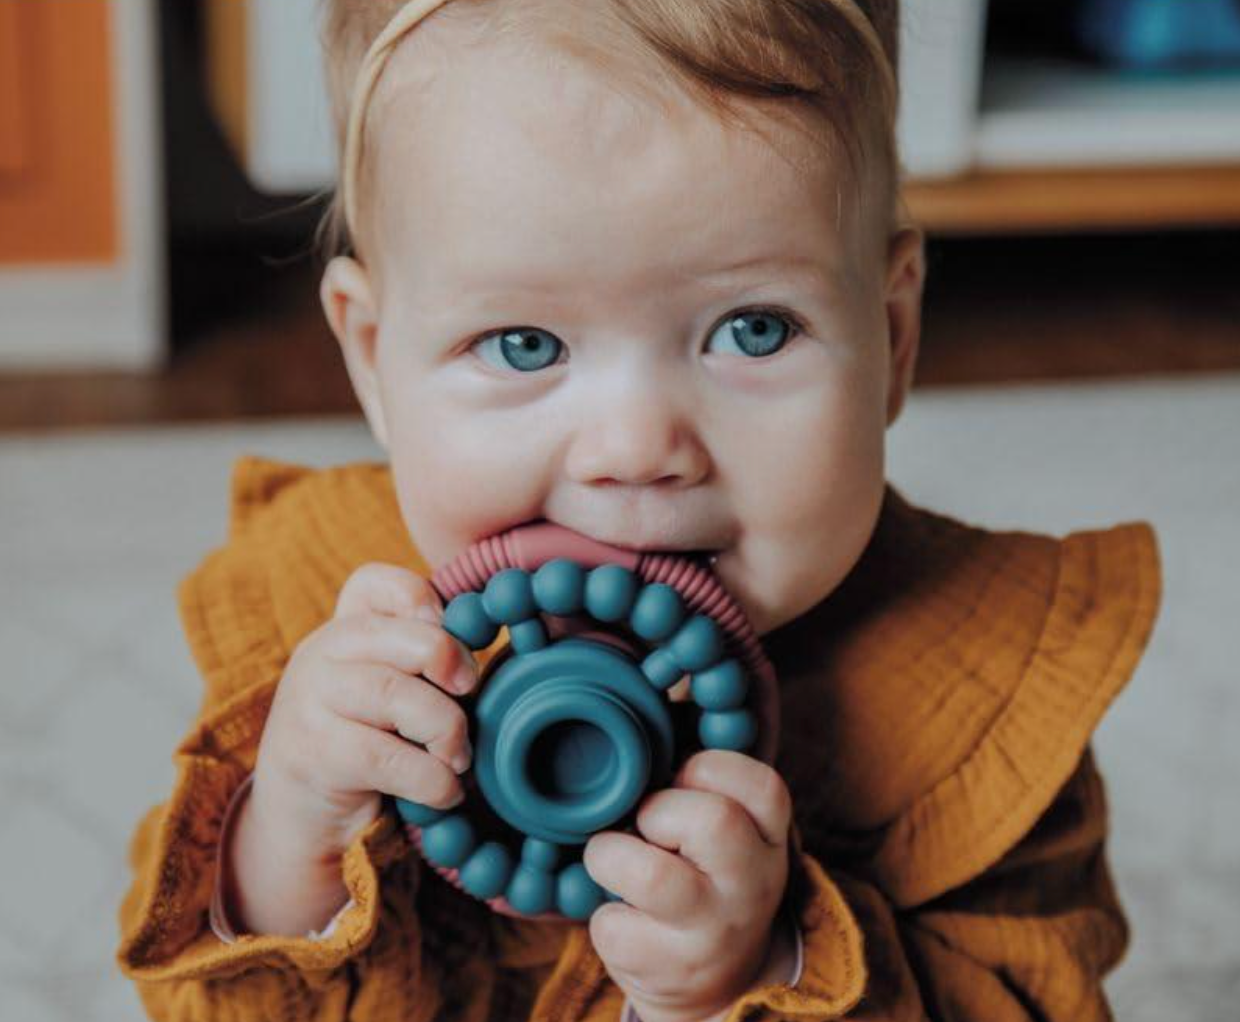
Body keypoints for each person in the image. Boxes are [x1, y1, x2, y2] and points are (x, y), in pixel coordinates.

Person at [116, 1, 1162, 1019]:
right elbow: (198, 995)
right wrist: (287, 833)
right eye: (525, 343)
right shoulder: (320, 627)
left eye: (752, 329)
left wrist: (757, 970)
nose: (635, 450)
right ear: (374, 359)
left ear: (891, 338)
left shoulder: (985, 693)